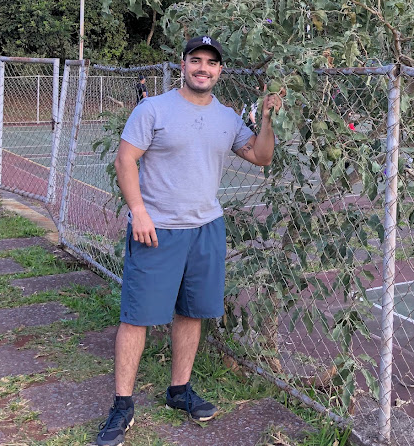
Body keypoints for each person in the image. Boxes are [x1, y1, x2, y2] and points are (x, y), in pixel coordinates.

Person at [96, 36, 281, 446]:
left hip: (206, 230)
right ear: (183, 65)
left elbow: (261, 156)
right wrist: (138, 211)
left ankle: (179, 390)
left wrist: (267, 118)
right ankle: (122, 405)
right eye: (195, 60)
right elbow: (126, 159)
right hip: (157, 229)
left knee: (192, 312)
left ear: (220, 71)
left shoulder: (228, 117)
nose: (203, 68)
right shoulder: (154, 109)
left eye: (211, 63)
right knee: (137, 317)